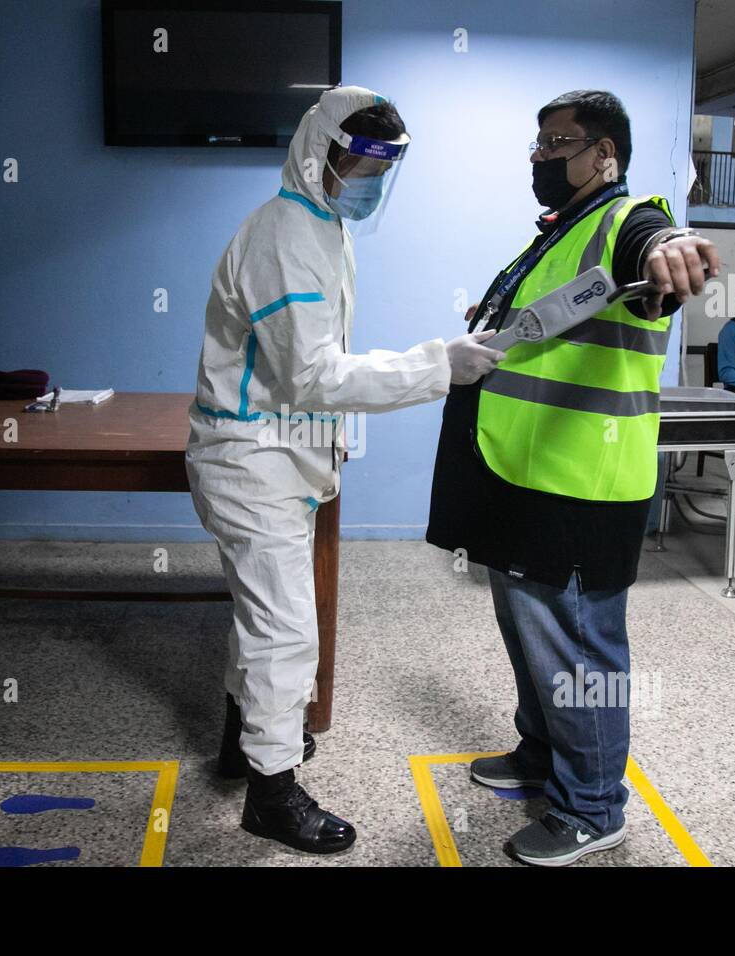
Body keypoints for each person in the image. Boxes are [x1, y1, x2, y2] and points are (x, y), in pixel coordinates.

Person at [186, 86, 502, 854]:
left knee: (263, 616)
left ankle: (244, 742)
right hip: (252, 459)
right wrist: (439, 366)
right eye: (356, 164)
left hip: (277, 453)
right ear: (316, 151)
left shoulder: (321, 225)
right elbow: (314, 377)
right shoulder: (286, 236)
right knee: (286, 632)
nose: (366, 182)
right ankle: (270, 793)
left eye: (377, 170)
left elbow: (306, 370)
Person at [426, 90, 720, 866]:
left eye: (557, 145)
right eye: (537, 147)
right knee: (531, 636)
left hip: (580, 487)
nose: (541, 160)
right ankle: (539, 755)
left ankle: (593, 807)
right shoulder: (559, 235)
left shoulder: (627, 223)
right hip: (519, 473)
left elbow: (658, 249)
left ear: (604, 155)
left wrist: (671, 249)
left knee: (581, 653)